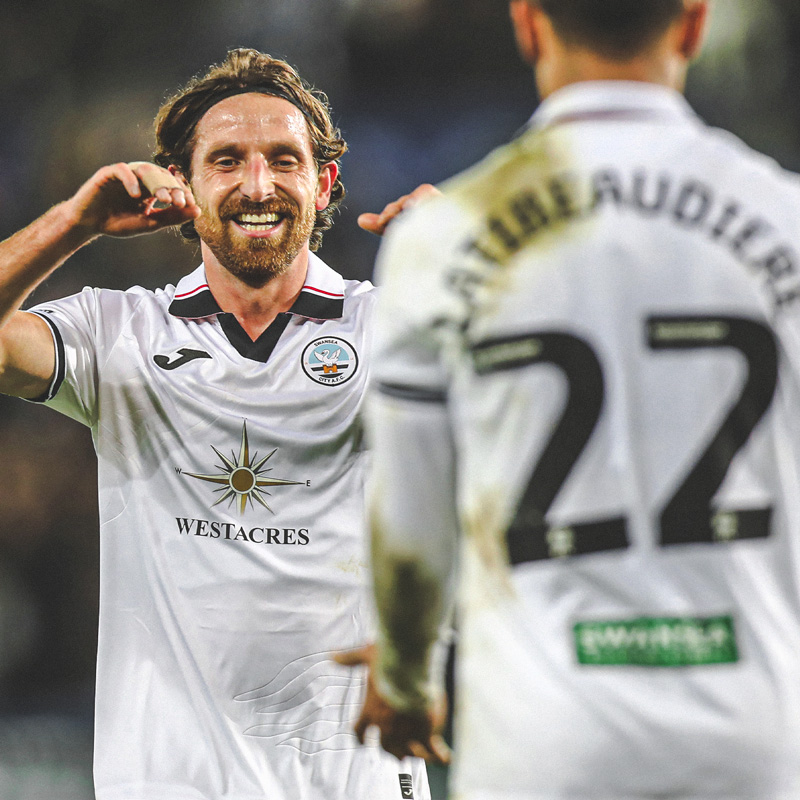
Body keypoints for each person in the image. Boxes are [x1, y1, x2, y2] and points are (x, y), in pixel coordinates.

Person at [345, 1, 800, 797]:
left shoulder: (443, 238)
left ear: (527, 23)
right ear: (692, 23)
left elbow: (411, 524)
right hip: (751, 735)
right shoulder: (787, 221)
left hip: (544, 738)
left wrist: (407, 680)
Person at [0, 48, 432, 800]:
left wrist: (483, 263)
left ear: (324, 182)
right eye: (227, 160)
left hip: (353, 783)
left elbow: (573, 378)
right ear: (185, 187)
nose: (258, 185)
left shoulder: (394, 326)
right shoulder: (120, 335)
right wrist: (74, 224)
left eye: (284, 160)